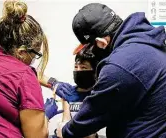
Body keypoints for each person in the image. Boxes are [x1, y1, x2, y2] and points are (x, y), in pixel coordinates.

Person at [55, 3, 166, 138]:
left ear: (102, 42)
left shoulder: (120, 65)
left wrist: (65, 131)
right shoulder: (148, 42)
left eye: (91, 48)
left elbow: (93, 115)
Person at [0, 0, 61, 137]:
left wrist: (53, 82)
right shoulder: (24, 75)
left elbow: (5, 74)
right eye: (36, 54)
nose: (34, 60)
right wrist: (45, 115)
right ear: (21, 52)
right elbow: (36, 136)